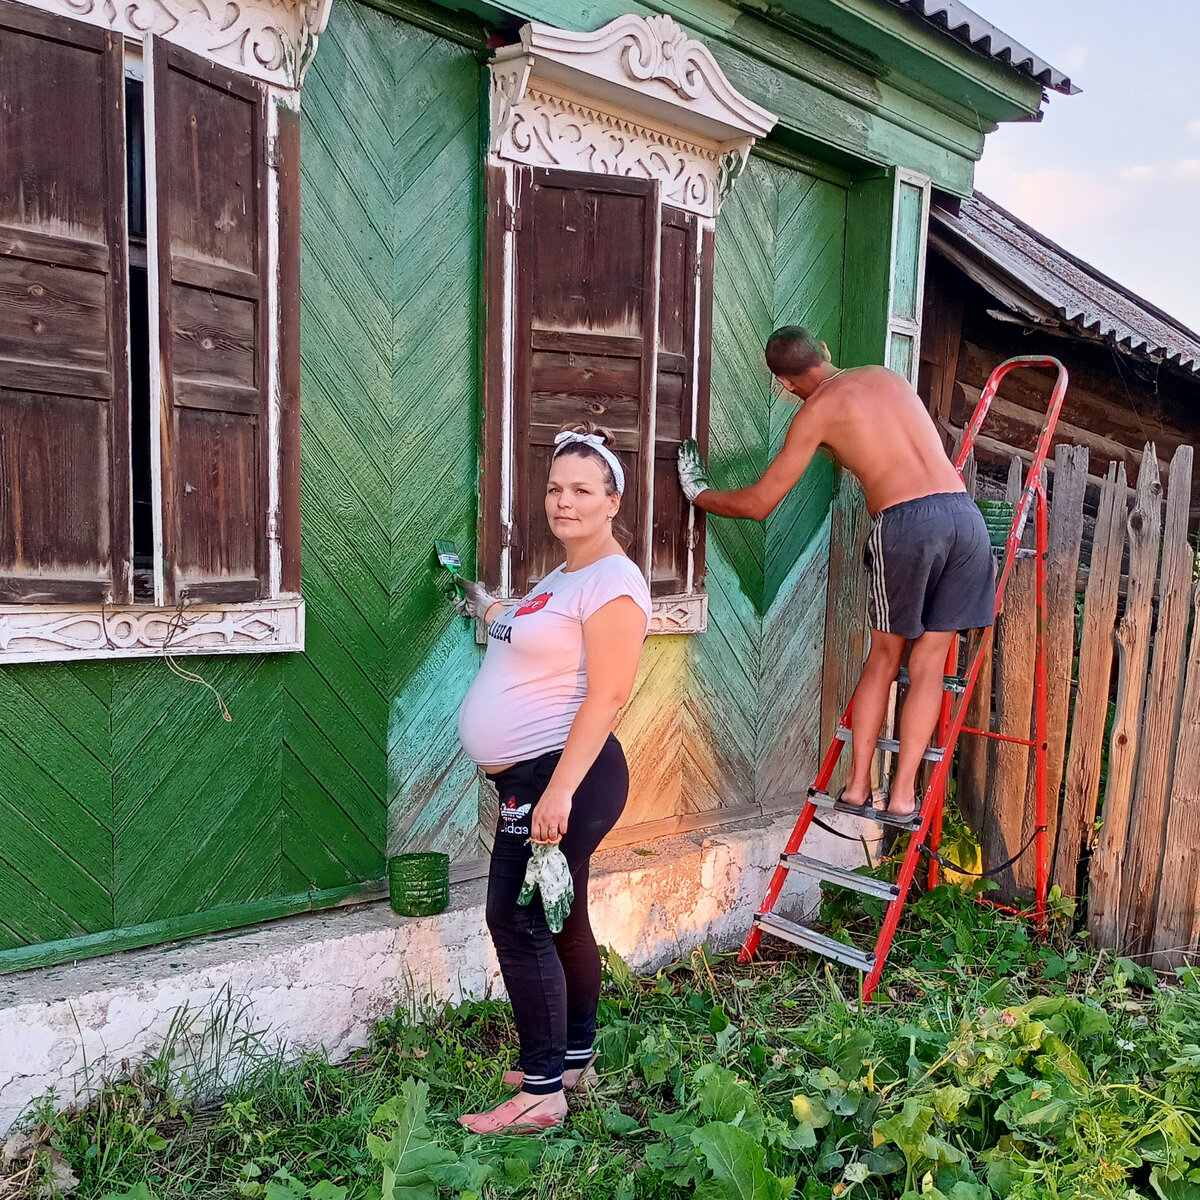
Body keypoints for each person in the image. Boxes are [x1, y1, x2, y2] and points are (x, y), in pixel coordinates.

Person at [677, 326, 994, 819]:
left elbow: (761, 503)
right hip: (965, 518)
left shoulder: (815, 412)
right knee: (931, 661)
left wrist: (699, 493)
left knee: (885, 657)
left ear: (783, 384)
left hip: (908, 524)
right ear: (824, 350)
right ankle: (906, 795)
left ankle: (857, 786)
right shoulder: (886, 377)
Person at [451, 421, 651, 1134]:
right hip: (539, 774)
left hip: (565, 774)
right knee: (562, 916)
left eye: (582, 490)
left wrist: (557, 792)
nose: (564, 502)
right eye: (555, 488)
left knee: (517, 916)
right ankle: (570, 1057)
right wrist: (487, 607)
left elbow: (609, 695)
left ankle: (542, 1094)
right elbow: (528, 630)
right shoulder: (565, 578)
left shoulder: (615, 583)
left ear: (611, 501)